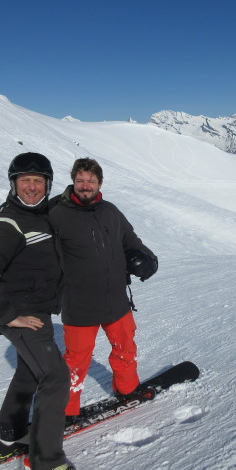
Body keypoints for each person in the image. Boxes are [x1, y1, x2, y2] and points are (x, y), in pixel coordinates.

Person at [0, 152, 76, 470]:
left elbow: (57, 203)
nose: (31, 187)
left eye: (38, 181)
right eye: (25, 180)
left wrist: (78, 191)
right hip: (21, 311)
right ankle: (45, 461)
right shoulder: (8, 222)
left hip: (37, 308)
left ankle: (8, 435)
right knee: (55, 376)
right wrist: (7, 314)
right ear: (14, 184)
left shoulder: (41, 213)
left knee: (30, 372)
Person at [50, 157, 158, 418]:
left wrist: (145, 257)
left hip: (116, 301)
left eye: (91, 181)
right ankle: (65, 412)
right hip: (79, 304)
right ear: (73, 182)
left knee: (125, 349)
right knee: (75, 361)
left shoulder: (110, 211)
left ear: (99, 183)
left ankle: (127, 390)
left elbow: (130, 239)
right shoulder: (56, 214)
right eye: (80, 180)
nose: (85, 185)